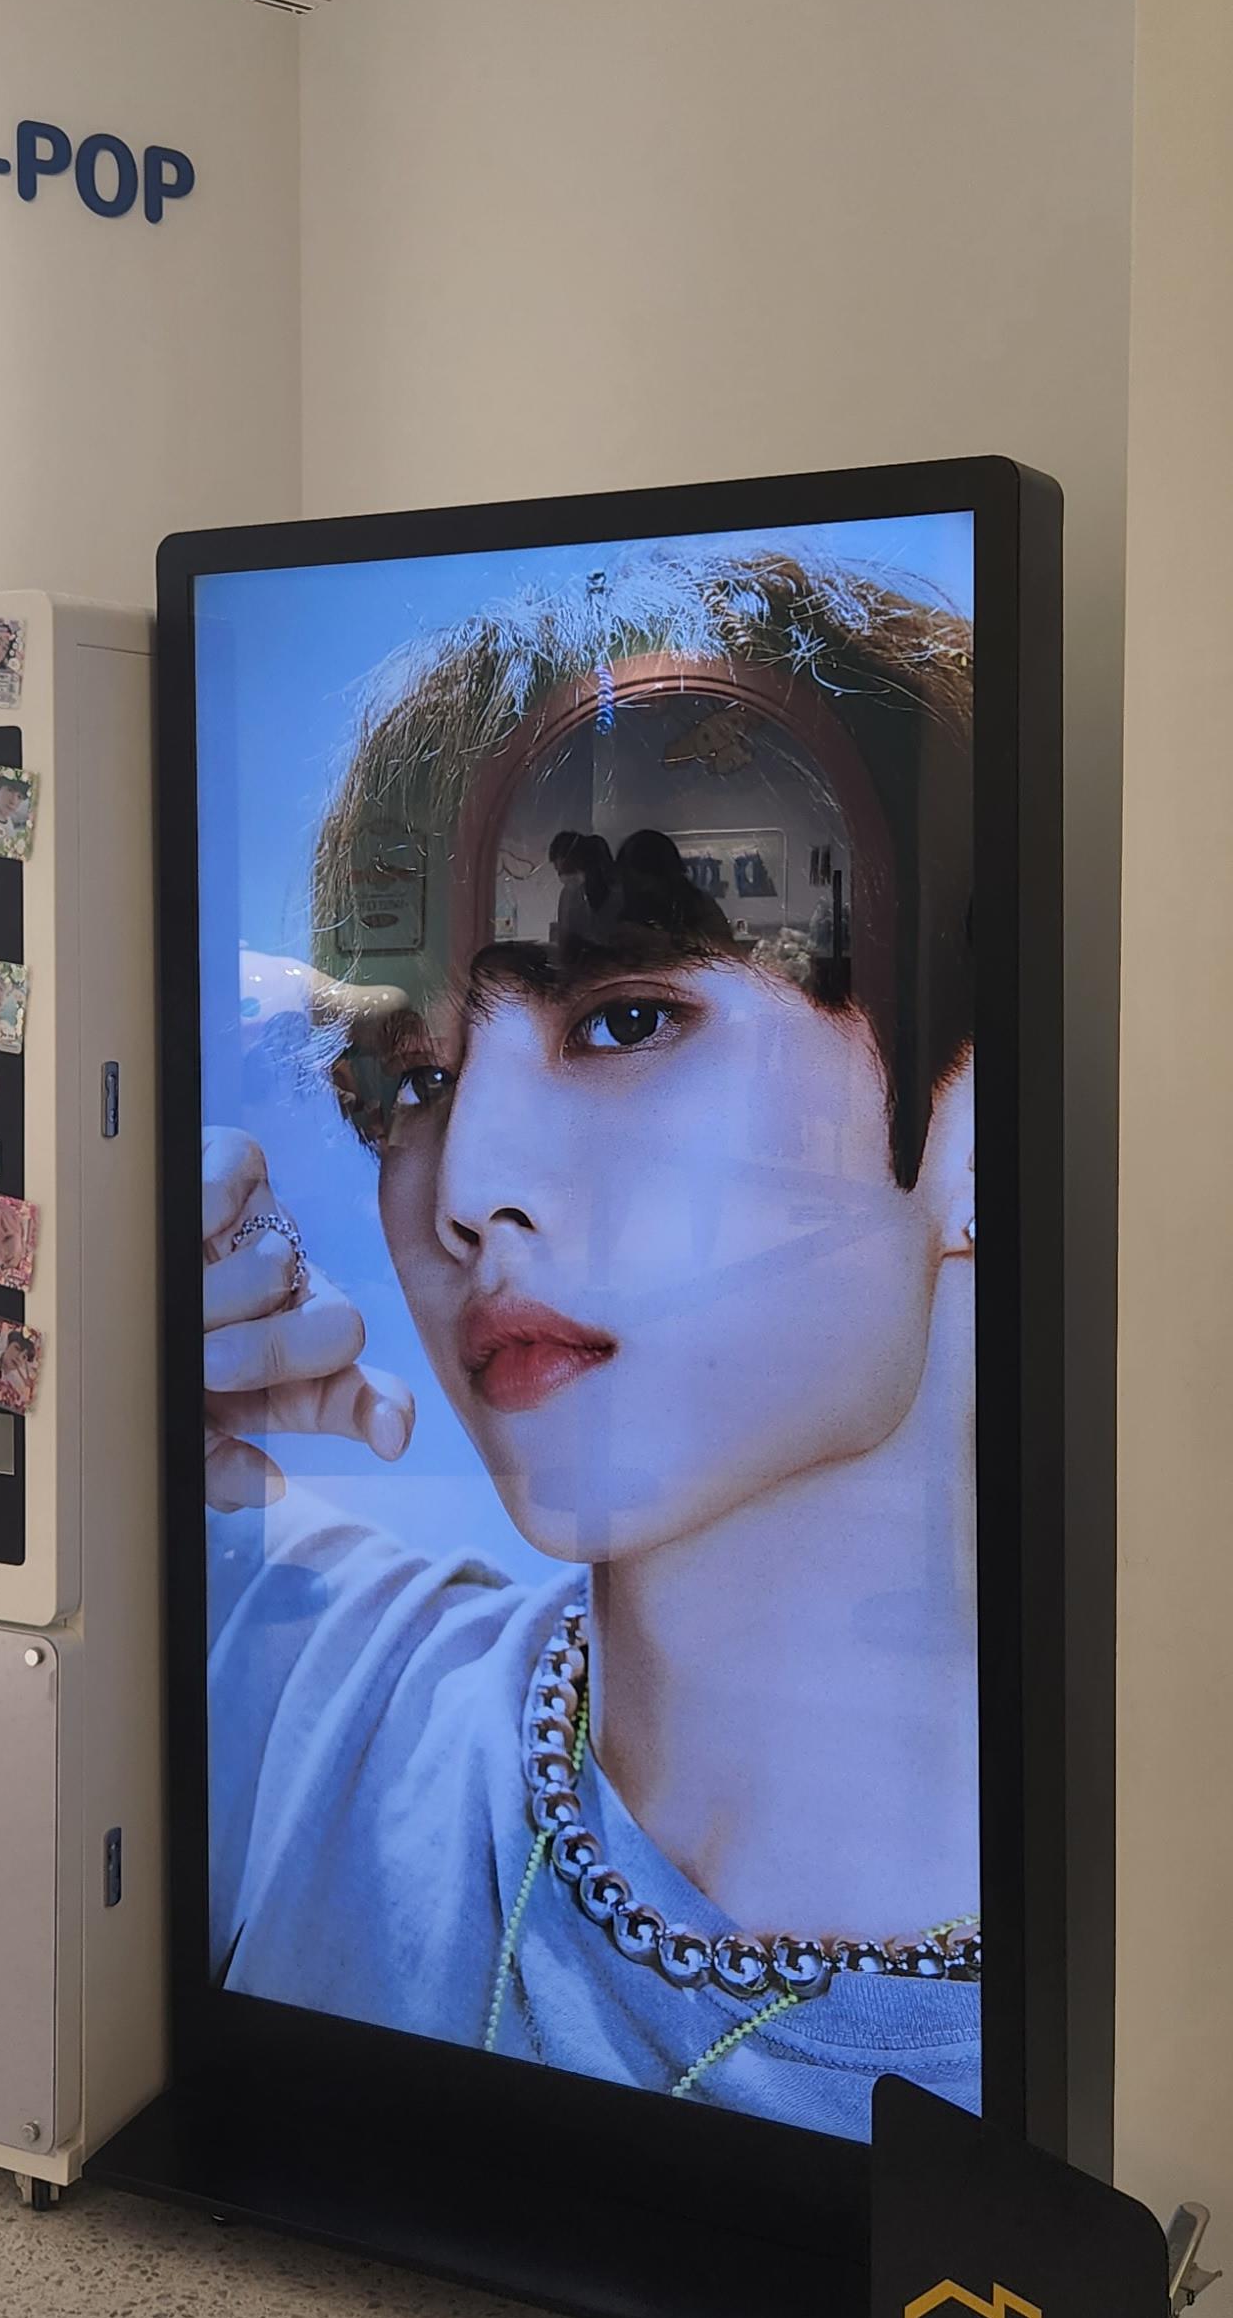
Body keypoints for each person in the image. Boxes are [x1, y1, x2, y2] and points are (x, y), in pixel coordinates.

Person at [202, 543, 983, 2138]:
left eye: (624, 1018)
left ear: (974, 1118)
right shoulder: (291, 1687)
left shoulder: (1182, 2001)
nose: (464, 1190)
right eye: (412, 1083)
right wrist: (49, 1332)